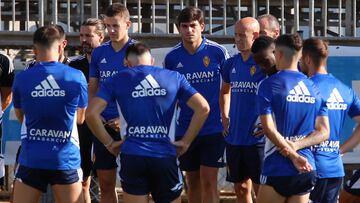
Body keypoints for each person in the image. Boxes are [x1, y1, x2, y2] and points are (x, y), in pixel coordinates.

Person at [86, 42, 210, 203]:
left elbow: (91, 114)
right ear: (152, 61)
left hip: (132, 156)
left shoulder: (117, 80)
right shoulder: (173, 77)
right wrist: (186, 142)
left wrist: (109, 144)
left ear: (126, 63)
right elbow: (203, 108)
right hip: (164, 156)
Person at [12, 25, 87, 203]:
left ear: (34, 50)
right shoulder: (76, 76)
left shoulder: (22, 78)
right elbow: (80, 119)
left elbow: (20, 115)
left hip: (32, 157)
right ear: (62, 46)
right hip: (65, 158)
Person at [163, 7, 229, 203]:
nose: (189, 30)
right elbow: (171, 97)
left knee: (209, 181)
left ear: (202, 26)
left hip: (213, 127)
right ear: (178, 29)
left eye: (193, 26)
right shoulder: (172, 58)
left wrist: (226, 116)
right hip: (186, 128)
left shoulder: (218, 52)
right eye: (184, 26)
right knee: (192, 182)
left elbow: (228, 88)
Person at [256, 34, 330, 203]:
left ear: (279, 54)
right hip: (306, 167)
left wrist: (292, 154)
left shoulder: (268, 84)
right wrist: (297, 147)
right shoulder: (314, 87)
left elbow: (268, 128)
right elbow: (324, 132)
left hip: (277, 166)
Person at [296, 38, 360, 203]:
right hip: (334, 169)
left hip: (308, 166)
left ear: (308, 59)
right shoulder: (344, 90)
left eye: (301, 59)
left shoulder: (305, 88)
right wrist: (340, 150)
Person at [88, 3, 135, 203]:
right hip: (104, 125)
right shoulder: (99, 53)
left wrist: (124, 118)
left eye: (115, 25)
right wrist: (95, 114)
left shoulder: (137, 50)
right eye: (107, 26)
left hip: (131, 125)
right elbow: (93, 87)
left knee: (133, 183)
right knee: (106, 183)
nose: (111, 31)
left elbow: (143, 91)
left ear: (128, 24)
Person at [219, 17, 264, 203]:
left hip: (257, 139)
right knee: (240, 187)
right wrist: (225, 116)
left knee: (262, 188)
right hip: (235, 137)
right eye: (235, 35)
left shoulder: (265, 64)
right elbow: (224, 91)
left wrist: (270, 123)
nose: (237, 39)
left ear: (255, 35)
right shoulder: (231, 63)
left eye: (241, 35)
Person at [69, 18, 105, 203]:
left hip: (108, 127)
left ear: (101, 36)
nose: (84, 39)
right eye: (81, 35)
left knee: (109, 182)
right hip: (82, 128)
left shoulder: (111, 63)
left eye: (88, 35)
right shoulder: (72, 65)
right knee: (83, 181)